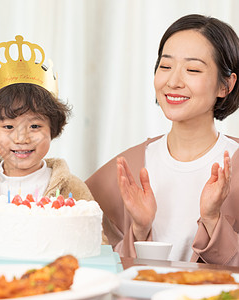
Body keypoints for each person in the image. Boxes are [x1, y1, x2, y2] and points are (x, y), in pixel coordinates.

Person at [86, 14, 239, 265]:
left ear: (225, 85)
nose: (173, 81)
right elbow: (92, 254)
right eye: (165, 67)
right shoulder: (132, 165)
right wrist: (139, 228)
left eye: (193, 69)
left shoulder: (235, 165)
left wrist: (212, 219)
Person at [0, 35, 96, 243]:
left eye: (35, 126)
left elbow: (95, 243)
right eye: (9, 126)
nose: (21, 138)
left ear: (53, 128)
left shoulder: (72, 188)